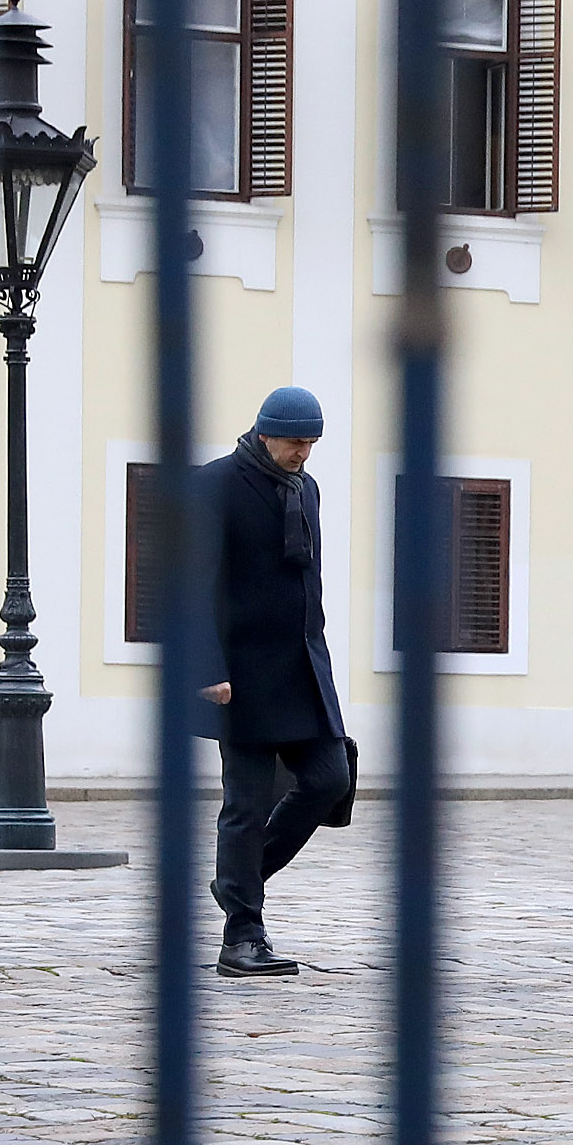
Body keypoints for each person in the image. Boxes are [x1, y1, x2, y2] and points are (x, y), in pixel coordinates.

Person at [203, 386, 352, 977]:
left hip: (302, 668)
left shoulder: (306, 490)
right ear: (265, 432)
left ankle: (238, 879)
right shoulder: (213, 486)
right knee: (245, 803)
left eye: (312, 444)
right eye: (296, 443)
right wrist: (206, 667)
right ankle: (242, 936)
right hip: (238, 675)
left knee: (330, 778)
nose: (304, 454)